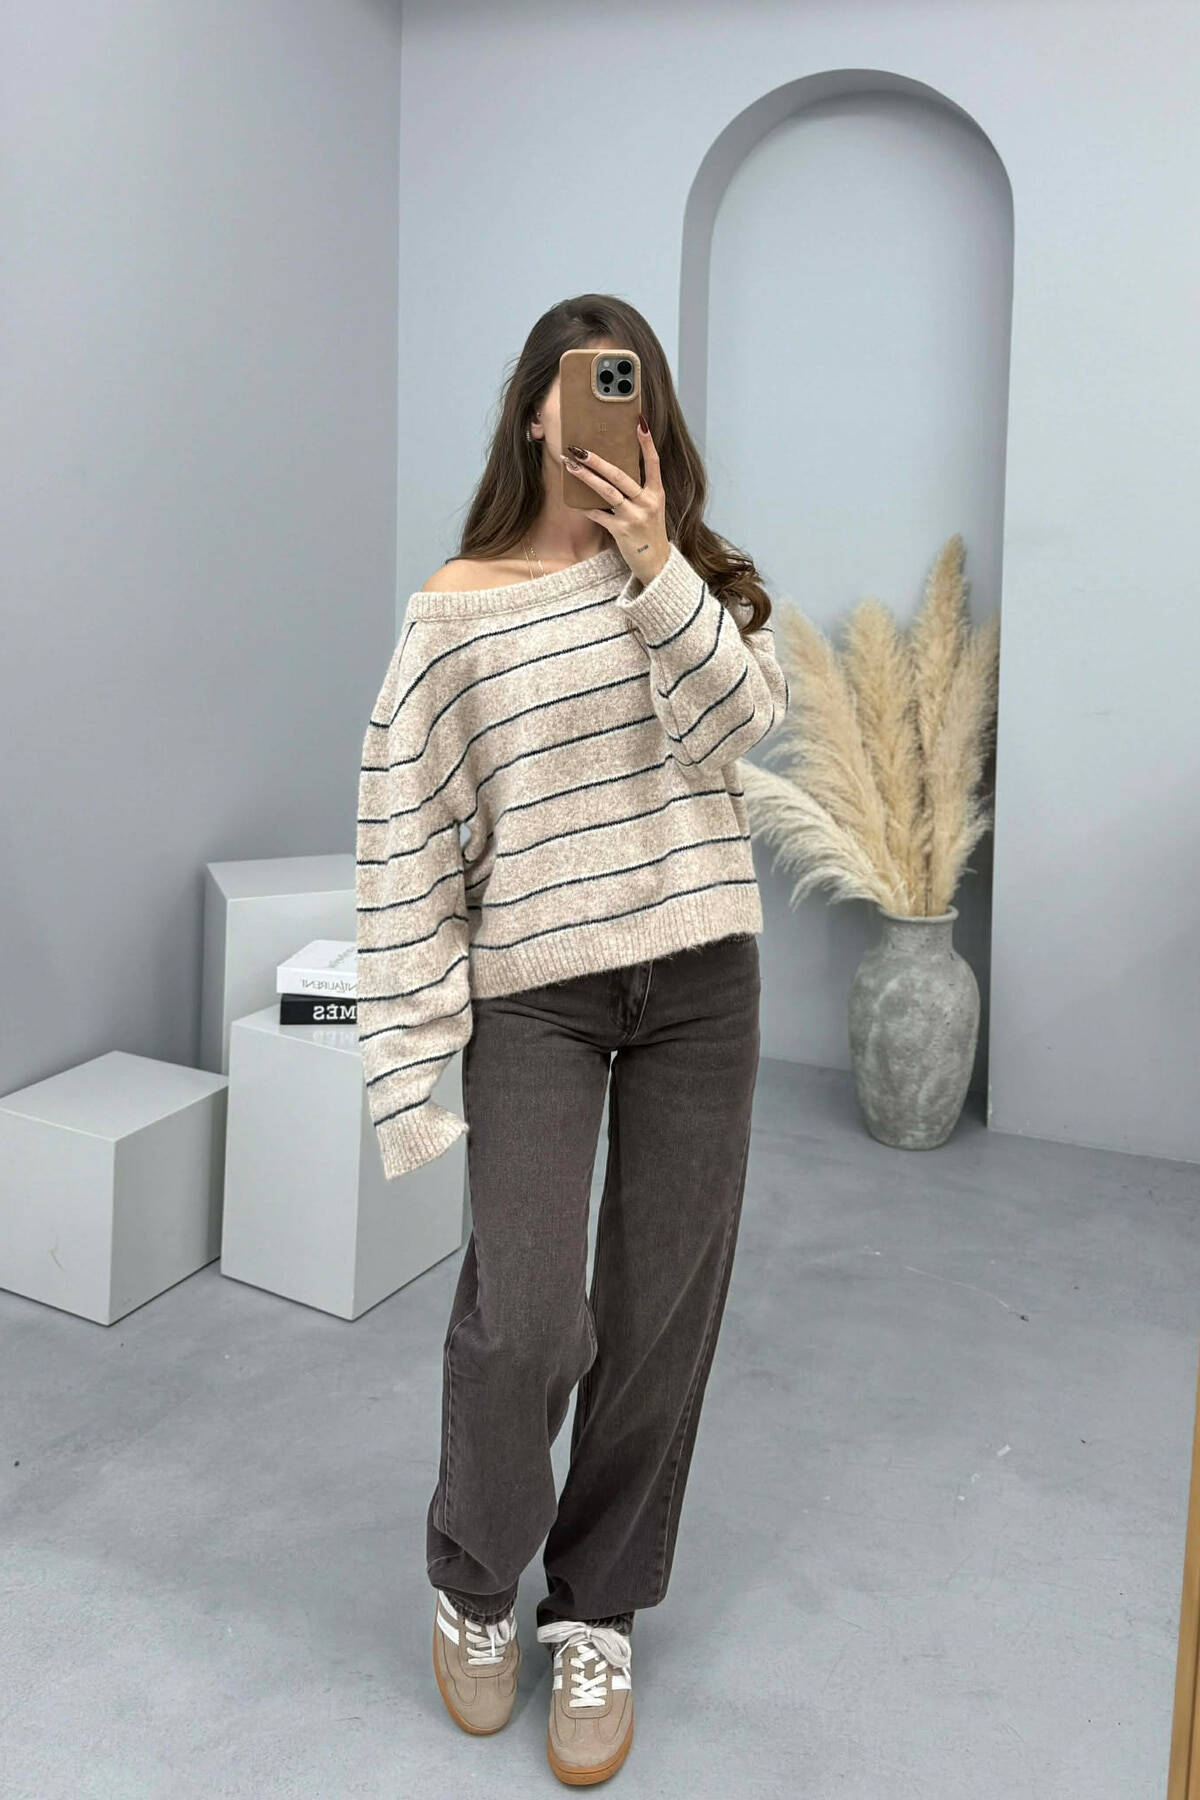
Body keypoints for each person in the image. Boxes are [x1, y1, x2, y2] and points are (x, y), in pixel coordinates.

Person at [355, 294, 789, 1786]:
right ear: (535, 412)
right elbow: (407, 836)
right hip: (536, 990)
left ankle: (596, 1610)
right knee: (529, 1314)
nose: (609, 407)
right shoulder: (456, 607)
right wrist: (407, 1064)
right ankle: (476, 1579)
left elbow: (745, 727)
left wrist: (659, 567)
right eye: (583, 385)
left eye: (632, 387)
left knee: (660, 1311)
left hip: (701, 981)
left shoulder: (697, 580)